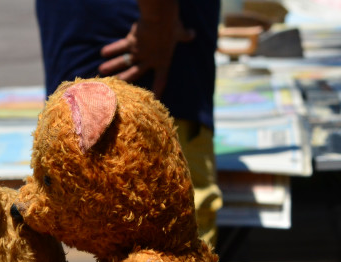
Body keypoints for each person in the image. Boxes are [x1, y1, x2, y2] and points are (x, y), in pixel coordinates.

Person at [35, 0, 222, 248]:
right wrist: (158, 20)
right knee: (172, 248)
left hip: (102, 42)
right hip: (143, 51)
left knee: (83, 236)